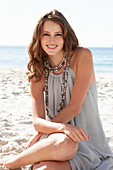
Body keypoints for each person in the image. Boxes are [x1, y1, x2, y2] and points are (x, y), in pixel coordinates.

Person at [2, 9, 113, 170]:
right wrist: (59, 129)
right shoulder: (38, 73)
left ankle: (15, 161)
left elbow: (75, 107)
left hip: (88, 142)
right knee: (64, 145)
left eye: (58, 34)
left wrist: (42, 134)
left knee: (51, 161)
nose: (51, 40)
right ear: (38, 38)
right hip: (57, 139)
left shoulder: (82, 56)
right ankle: (14, 162)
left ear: (65, 36)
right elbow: (37, 122)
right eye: (46, 34)